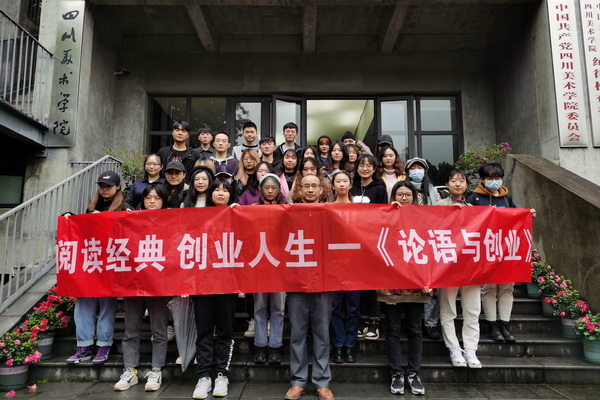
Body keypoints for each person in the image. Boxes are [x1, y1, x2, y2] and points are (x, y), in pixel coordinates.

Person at [467, 162, 537, 343]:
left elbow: (516, 216)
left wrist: (527, 214)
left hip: (507, 250)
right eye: (490, 178)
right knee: (489, 288)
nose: (494, 181)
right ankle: (493, 326)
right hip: (486, 249)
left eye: (497, 177)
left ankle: (504, 325)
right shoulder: (474, 198)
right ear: (482, 179)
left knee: (507, 288)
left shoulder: (507, 198)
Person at [114, 184, 171, 392]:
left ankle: (156, 370)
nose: (152, 201)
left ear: (164, 201)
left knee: (159, 330)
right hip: (134, 282)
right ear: (142, 200)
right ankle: (130, 370)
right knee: (130, 329)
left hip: (158, 284)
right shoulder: (131, 219)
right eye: (148, 198)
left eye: (157, 198)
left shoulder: (171, 221)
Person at [285, 174, 334, 400]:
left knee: (322, 333)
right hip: (296, 280)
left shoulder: (331, 213)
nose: (311, 189)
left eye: (315, 185)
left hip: (324, 280)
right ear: (299, 190)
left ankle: (322, 381)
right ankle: (298, 380)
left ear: (322, 189)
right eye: (306, 186)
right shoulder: (288, 213)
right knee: (298, 333)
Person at [65, 171, 122, 365]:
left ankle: (104, 345)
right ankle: (84, 346)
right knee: (83, 305)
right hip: (90, 262)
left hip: (111, 264)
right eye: (102, 186)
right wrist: (70, 217)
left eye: (109, 186)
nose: (105, 189)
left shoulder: (124, 207)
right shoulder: (91, 206)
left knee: (106, 306)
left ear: (118, 187)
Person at [191, 179, 239, 399]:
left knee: (226, 331)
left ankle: (222, 374)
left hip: (227, 284)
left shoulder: (238, 215)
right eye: (217, 190)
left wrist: (240, 214)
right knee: (204, 331)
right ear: (210, 194)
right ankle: (203, 376)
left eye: (225, 190)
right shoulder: (198, 217)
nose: (221, 193)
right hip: (202, 283)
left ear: (231, 195)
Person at [382, 179, 429, 396]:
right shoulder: (384, 216)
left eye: (407, 194)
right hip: (391, 283)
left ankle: (414, 373)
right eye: (399, 194)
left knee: (415, 329)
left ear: (414, 197)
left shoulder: (423, 217)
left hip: (416, 282)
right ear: (393, 197)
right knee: (392, 330)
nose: (404, 198)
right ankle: (396, 373)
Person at [436, 170, 482, 369]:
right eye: (453, 180)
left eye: (461, 181)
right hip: (447, 266)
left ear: (466, 184)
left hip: (470, 266)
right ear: (447, 184)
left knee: (472, 310)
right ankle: (454, 348)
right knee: (448, 310)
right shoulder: (439, 206)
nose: (457, 184)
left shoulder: (474, 209)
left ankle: (471, 349)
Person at [351, 154, 388, 340]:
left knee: (373, 284)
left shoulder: (380, 189)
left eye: (368, 166)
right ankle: (361, 321)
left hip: (373, 242)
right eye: (361, 165)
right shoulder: (351, 188)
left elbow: (384, 215)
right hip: (353, 243)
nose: (365, 168)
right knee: (358, 283)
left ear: (374, 169)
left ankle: (374, 322)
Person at [404, 157, 440, 339]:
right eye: (413, 168)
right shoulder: (403, 190)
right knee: (411, 284)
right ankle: (413, 322)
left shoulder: (433, 192)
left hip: (429, 243)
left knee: (432, 286)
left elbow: (441, 214)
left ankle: (430, 323)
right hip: (408, 242)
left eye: (420, 167)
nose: (416, 171)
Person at [253, 174, 287, 366]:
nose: (271, 191)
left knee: (278, 308)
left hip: (280, 266)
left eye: (274, 187)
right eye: (267, 187)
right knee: (259, 308)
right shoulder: (253, 210)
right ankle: (260, 345)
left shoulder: (286, 210)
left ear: (279, 190)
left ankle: (275, 346)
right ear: (261, 189)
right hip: (259, 265)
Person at [329, 170, 360, 365]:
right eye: (338, 181)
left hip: (355, 266)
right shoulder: (326, 209)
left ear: (350, 185)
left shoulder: (359, 209)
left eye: (345, 181)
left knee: (353, 308)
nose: (341, 184)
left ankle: (350, 345)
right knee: (334, 308)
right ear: (332, 186)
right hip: (332, 265)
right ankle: (338, 344)